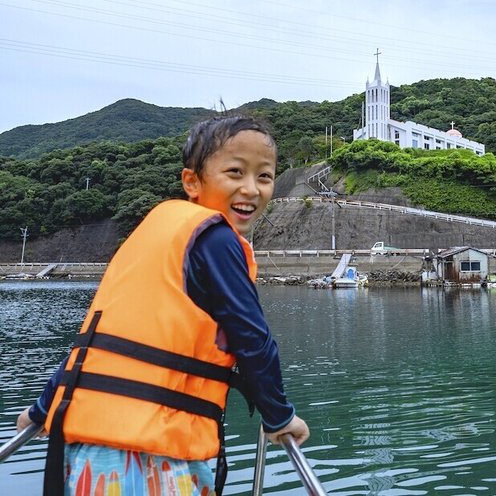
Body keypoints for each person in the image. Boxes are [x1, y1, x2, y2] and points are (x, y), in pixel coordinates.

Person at [17, 114, 309, 495]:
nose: (251, 189)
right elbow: (253, 339)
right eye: (235, 172)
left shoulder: (153, 236)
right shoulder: (217, 240)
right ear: (192, 181)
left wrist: (41, 410)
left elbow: (93, 347)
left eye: (264, 176)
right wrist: (280, 417)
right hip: (151, 457)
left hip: (85, 456)